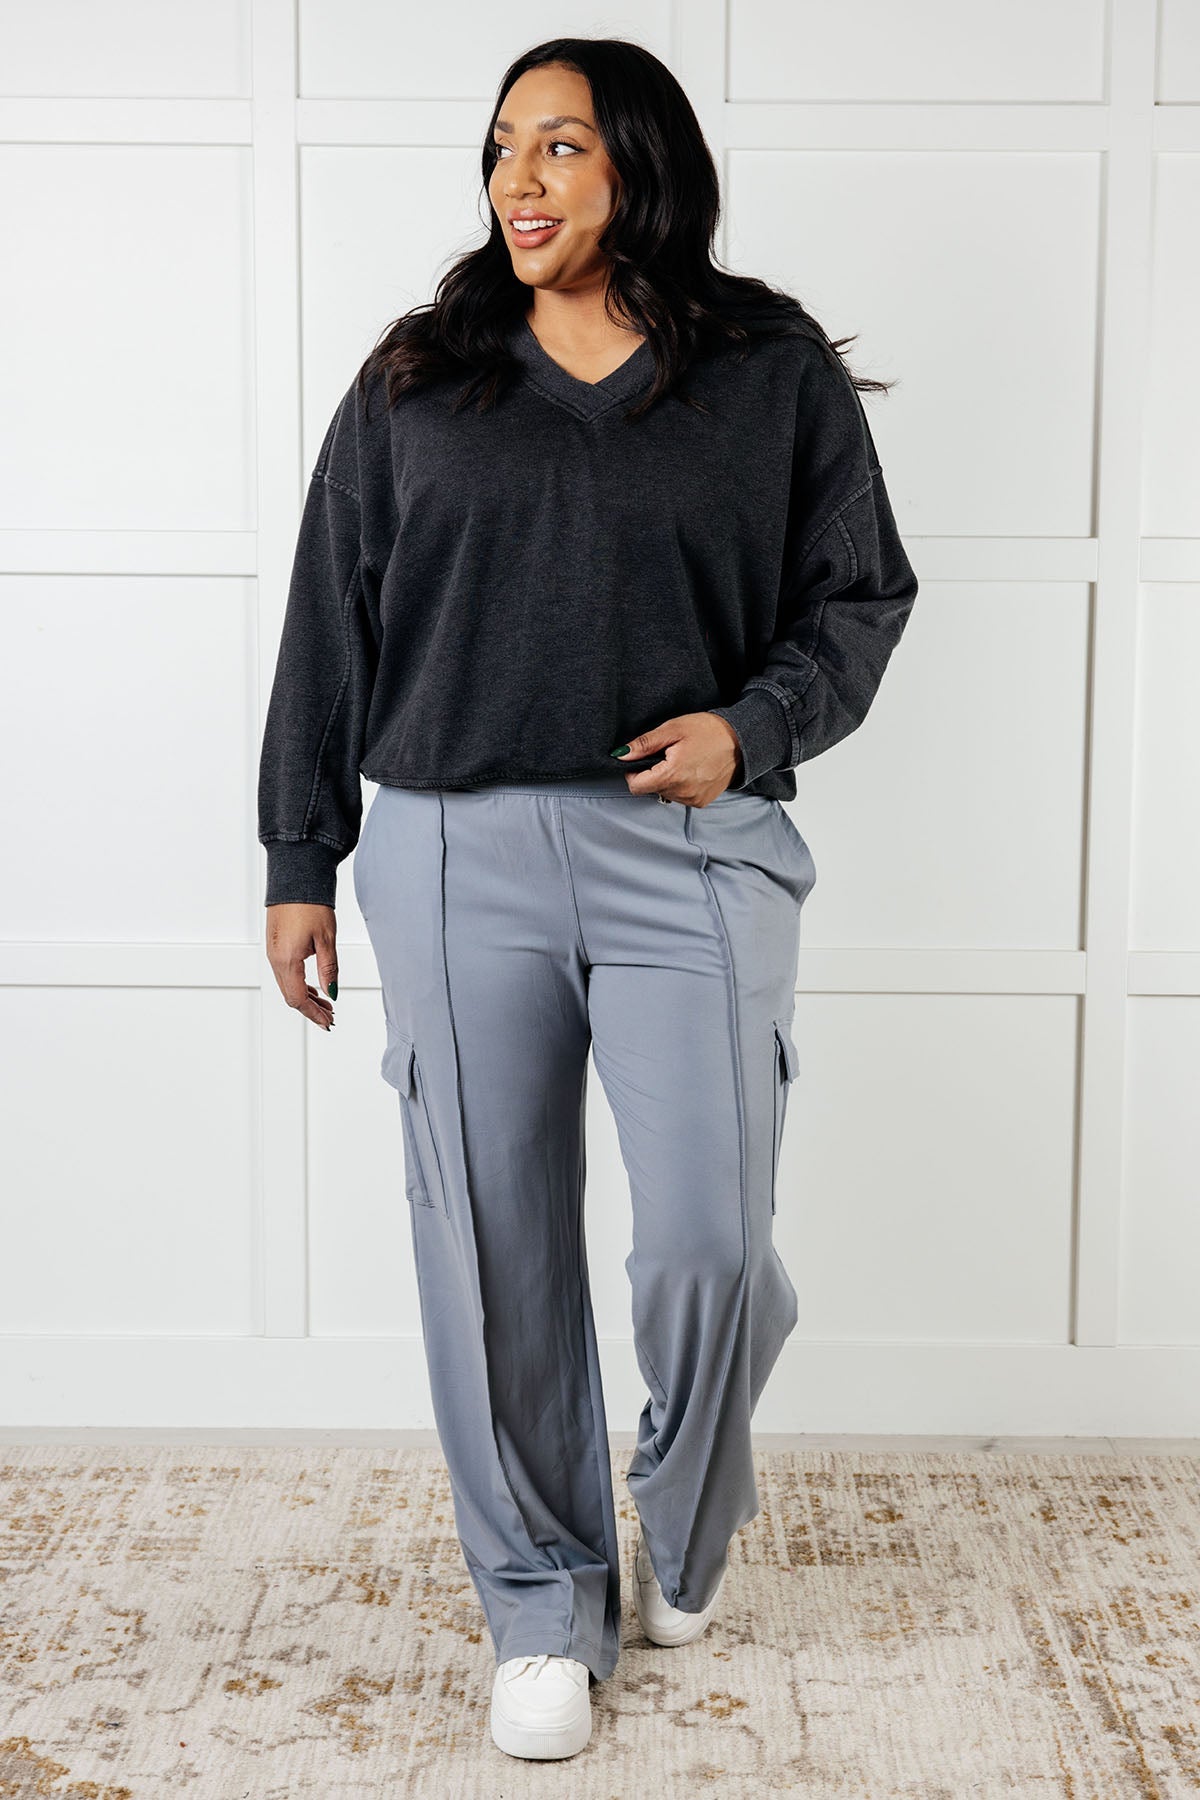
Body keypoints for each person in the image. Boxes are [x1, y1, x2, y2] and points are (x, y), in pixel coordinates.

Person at [257, 35, 919, 1763]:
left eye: (558, 145)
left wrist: (754, 726)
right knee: (491, 1249)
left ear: (640, 162)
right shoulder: (421, 377)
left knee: (713, 1245)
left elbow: (860, 596)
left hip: (688, 850)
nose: (519, 180)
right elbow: (332, 613)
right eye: (501, 148)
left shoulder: (768, 372)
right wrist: (299, 859)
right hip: (451, 851)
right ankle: (545, 1605)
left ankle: (686, 1506)